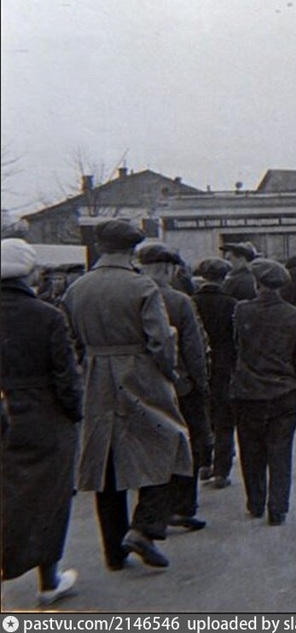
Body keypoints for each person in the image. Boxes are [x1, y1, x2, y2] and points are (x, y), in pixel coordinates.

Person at [62, 219, 192, 571]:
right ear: (132, 249)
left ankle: (114, 552)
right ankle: (145, 526)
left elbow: (70, 340)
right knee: (169, 444)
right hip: (139, 374)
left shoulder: (77, 289)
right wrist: (168, 373)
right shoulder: (141, 287)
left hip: (95, 377)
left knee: (105, 461)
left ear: (102, 247)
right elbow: (161, 342)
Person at [1, 238, 84, 606]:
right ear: (30, 273)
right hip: (43, 415)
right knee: (48, 498)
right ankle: (48, 580)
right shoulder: (48, 316)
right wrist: (74, 413)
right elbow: (66, 377)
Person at [135, 243, 211, 533]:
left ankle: (153, 510)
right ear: (168, 269)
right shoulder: (179, 301)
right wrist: (201, 383)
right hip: (179, 386)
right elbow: (194, 348)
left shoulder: (132, 295)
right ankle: (182, 507)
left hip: (139, 386)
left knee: (151, 448)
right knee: (187, 444)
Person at [231, 259, 296, 525]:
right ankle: (277, 508)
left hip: (248, 392)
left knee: (251, 450)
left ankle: (255, 502)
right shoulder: (295, 315)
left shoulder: (242, 311)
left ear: (257, 284)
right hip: (284, 393)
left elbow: (236, 348)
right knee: (281, 452)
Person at [191, 257, 238, 490]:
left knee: (201, 416)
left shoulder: (190, 302)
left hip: (198, 366)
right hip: (225, 366)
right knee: (225, 420)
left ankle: (203, 464)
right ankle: (221, 470)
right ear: (224, 277)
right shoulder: (231, 304)